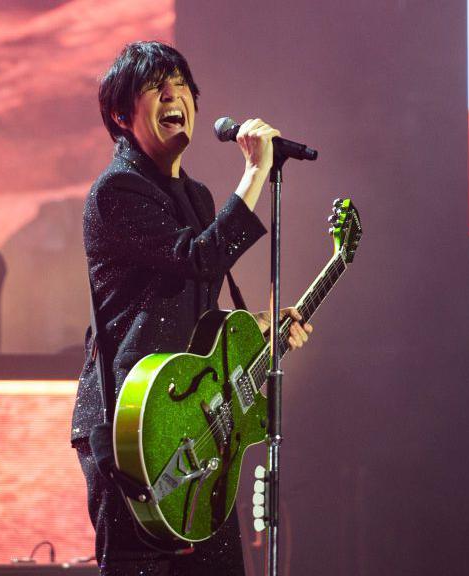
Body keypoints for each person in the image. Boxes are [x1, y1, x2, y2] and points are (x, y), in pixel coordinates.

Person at [71, 41, 312, 576]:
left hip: (197, 422)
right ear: (120, 114)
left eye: (180, 83)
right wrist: (254, 175)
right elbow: (197, 258)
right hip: (134, 428)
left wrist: (267, 330)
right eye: (154, 86)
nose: (172, 93)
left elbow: (205, 316)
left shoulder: (198, 197)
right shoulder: (116, 192)